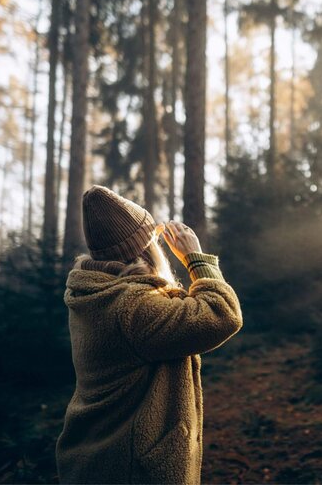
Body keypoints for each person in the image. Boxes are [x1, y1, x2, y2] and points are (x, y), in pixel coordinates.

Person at [55, 185, 243, 484]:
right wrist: (196, 258)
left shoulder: (95, 294)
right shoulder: (132, 308)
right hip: (131, 467)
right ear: (144, 249)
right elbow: (222, 313)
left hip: (98, 458)